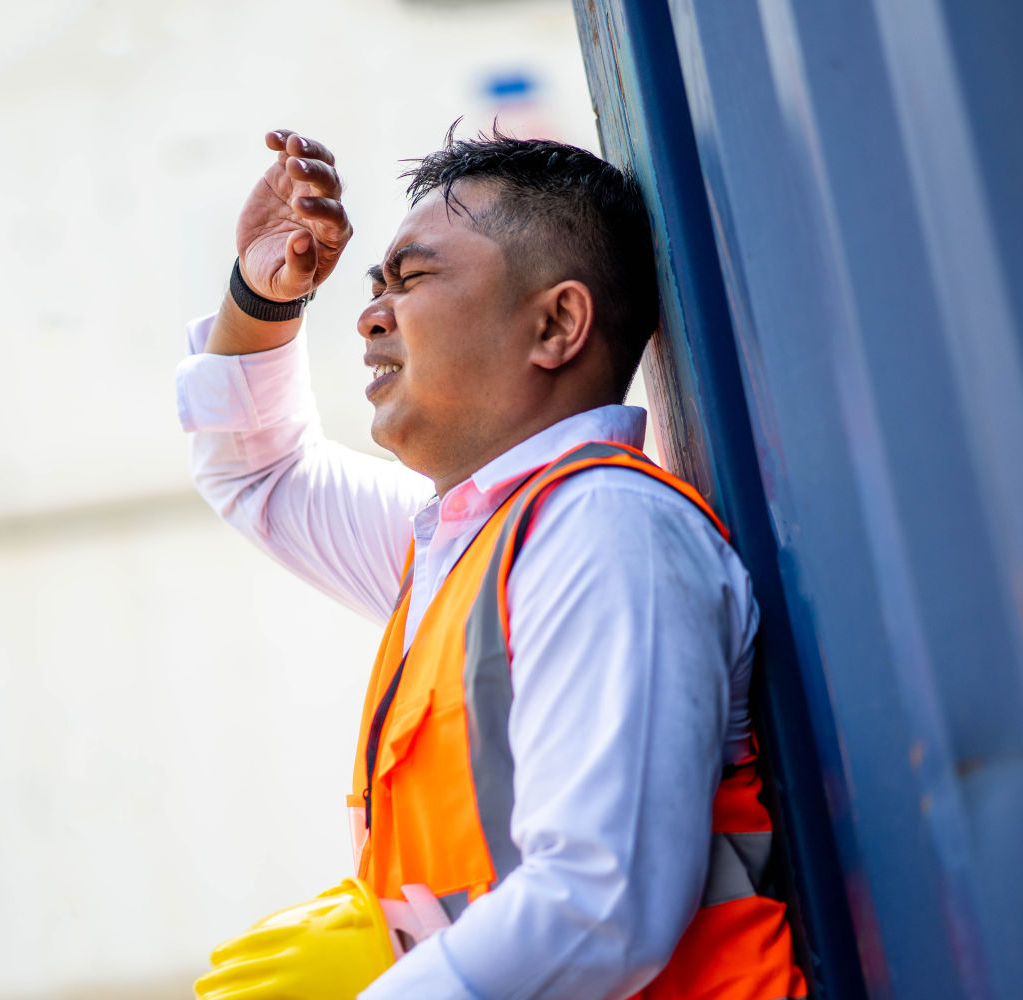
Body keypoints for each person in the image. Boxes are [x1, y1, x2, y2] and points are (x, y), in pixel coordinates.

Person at [177, 126, 806, 999]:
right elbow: (260, 473)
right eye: (375, 286)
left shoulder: (604, 530)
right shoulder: (466, 541)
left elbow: (600, 905)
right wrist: (262, 292)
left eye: (413, 278)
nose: (368, 314)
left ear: (556, 323)